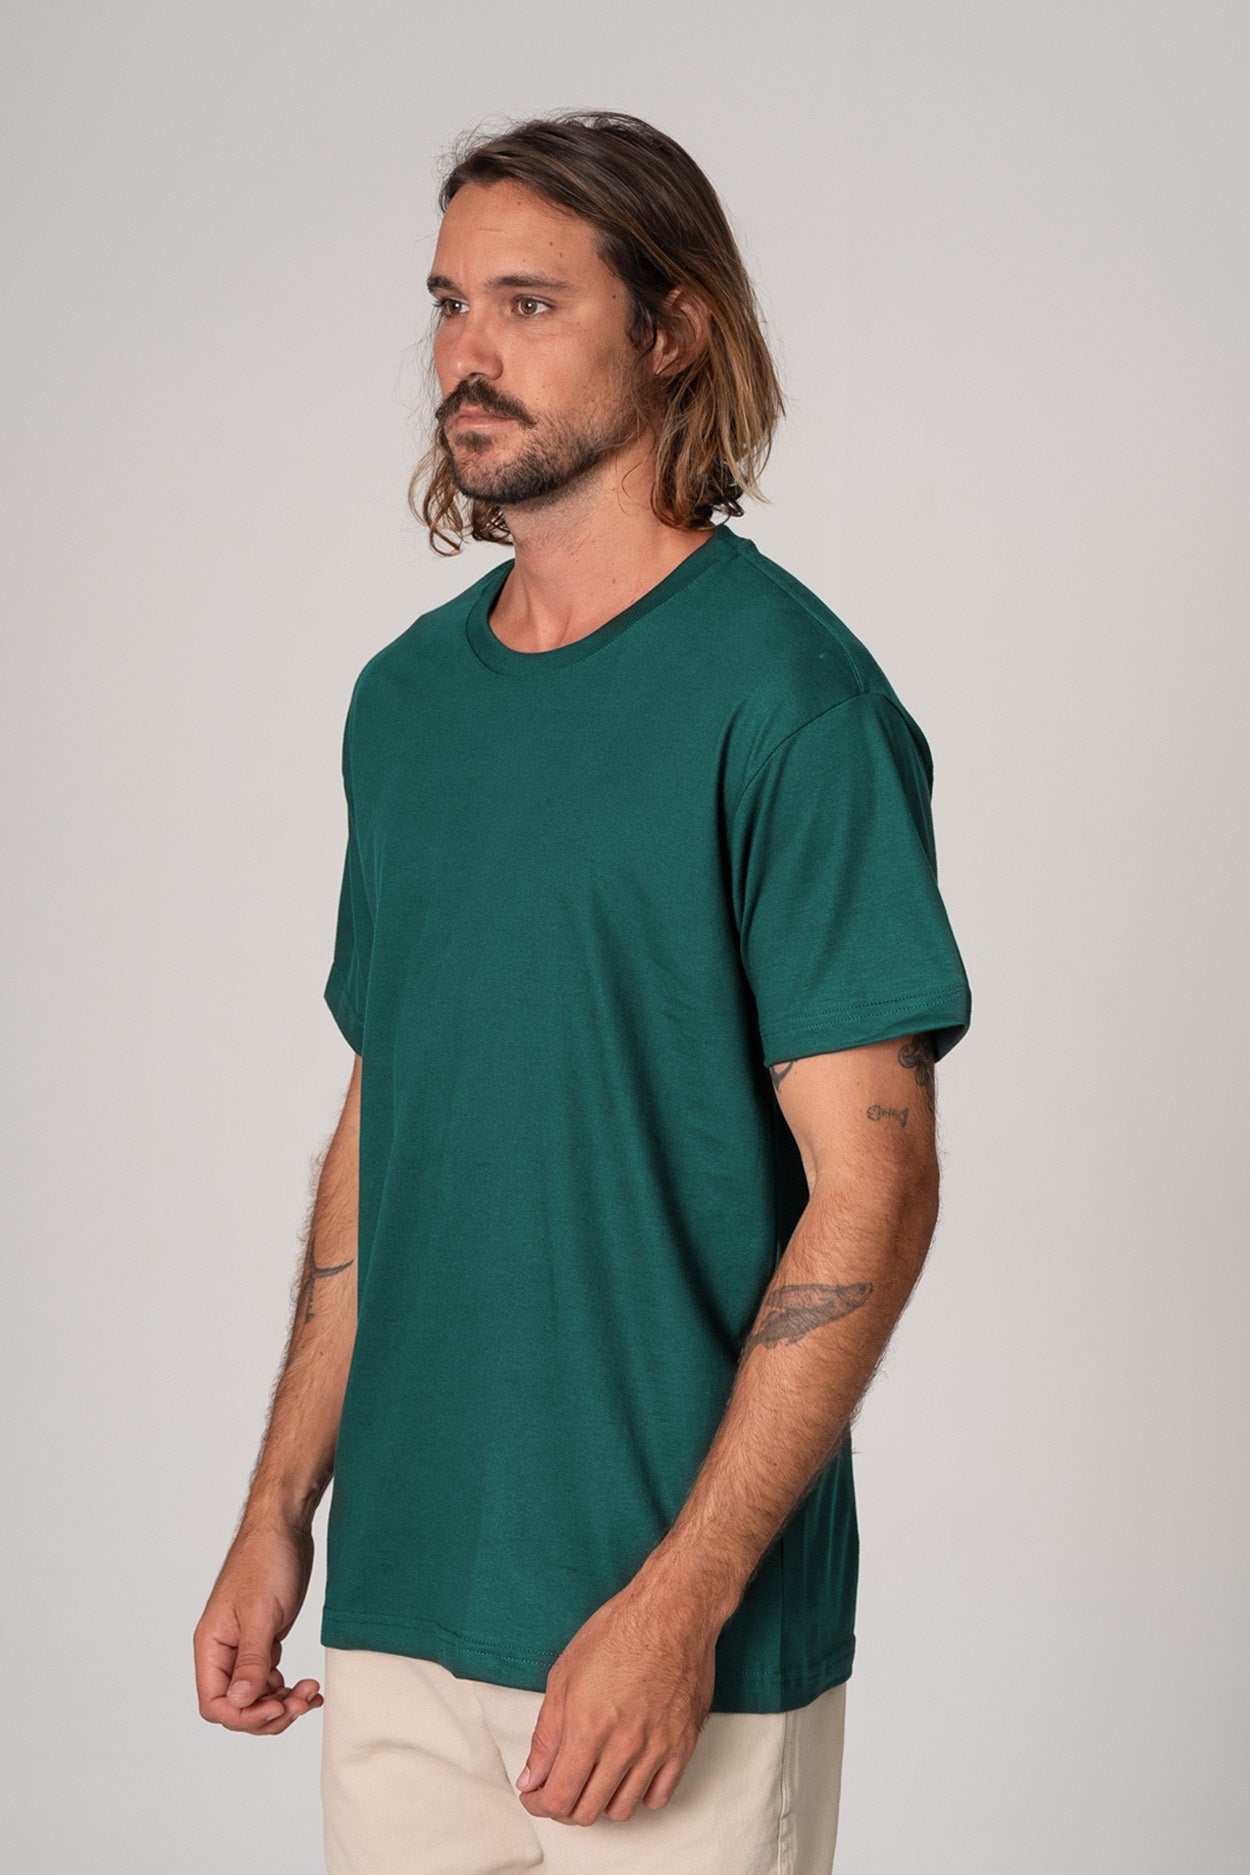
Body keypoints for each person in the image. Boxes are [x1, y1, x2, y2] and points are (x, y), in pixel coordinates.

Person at [194, 109, 973, 1873]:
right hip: (401, 1607)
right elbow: (389, 1116)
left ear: (672, 329)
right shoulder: (406, 705)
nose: (466, 355)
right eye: (448, 304)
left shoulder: (792, 702)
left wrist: (682, 1599)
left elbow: (876, 1183)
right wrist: (276, 1511)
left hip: (671, 1646)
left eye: (530, 304)